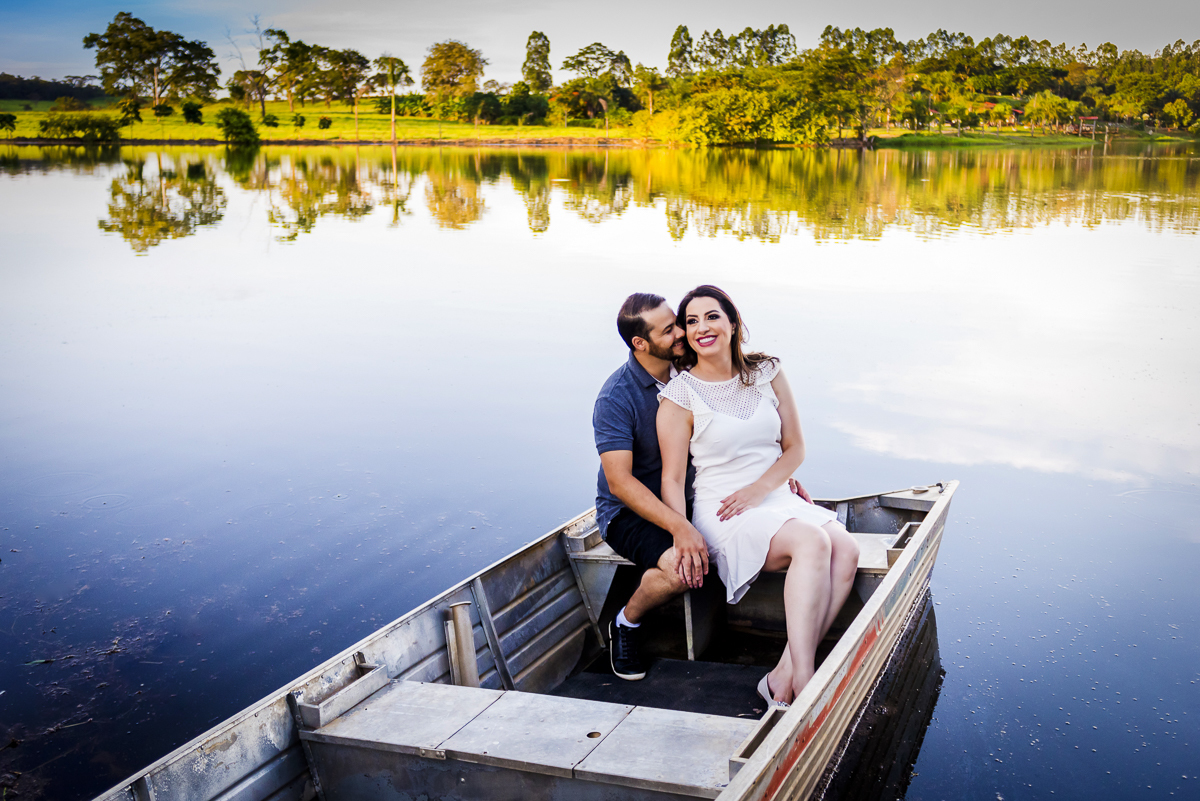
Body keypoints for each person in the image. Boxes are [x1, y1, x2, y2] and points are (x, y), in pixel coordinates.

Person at [593, 292, 815, 682]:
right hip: (631, 511)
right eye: (670, 329)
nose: (683, 332)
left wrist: (774, 477)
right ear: (640, 344)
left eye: (679, 322)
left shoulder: (689, 368)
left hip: (697, 497)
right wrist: (681, 528)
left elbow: (733, 434)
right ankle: (625, 623)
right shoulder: (617, 397)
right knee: (682, 570)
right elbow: (620, 482)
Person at [657, 285, 860, 707]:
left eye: (712, 316)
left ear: (733, 323)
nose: (702, 328)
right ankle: (806, 682)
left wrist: (761, 488)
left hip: (771, 494)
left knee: (847, 547)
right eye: (691, 322)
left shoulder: (766, 371)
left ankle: (782, 674)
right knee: (812, 540)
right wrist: (682, 533)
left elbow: (795, 449)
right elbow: (673, 480)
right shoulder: (679, 397)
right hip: (724, 508)